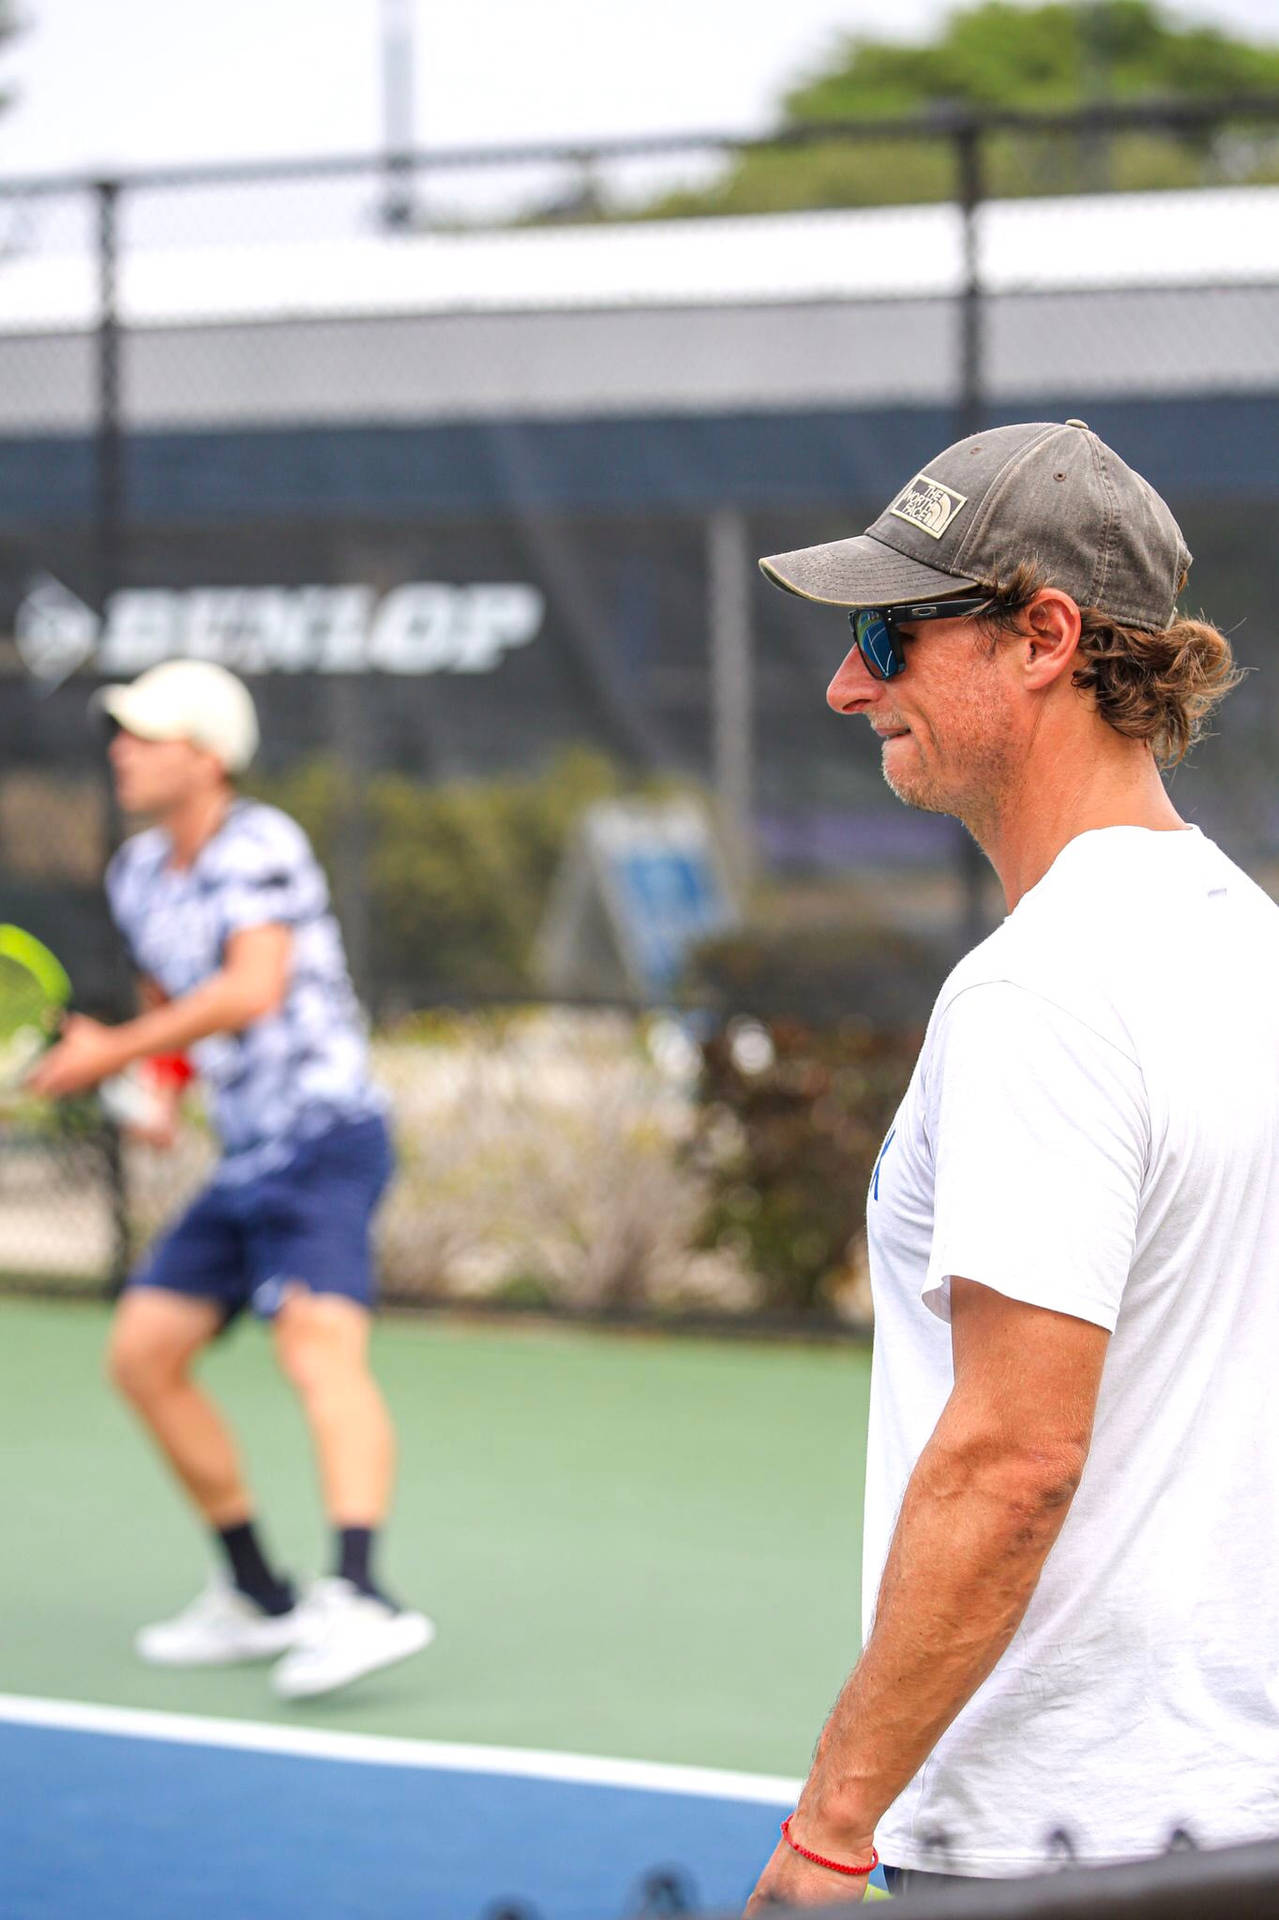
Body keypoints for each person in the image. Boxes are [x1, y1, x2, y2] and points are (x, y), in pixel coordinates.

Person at [743, 419, 1279, 1907]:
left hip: (1057, 1844)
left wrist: (827, 1831)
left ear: (1042, 636)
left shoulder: (1037, 989)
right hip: (1230, 1805)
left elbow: (1009, 1460)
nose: (848, 682)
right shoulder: (1245, 942)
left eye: (886, 634)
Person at [30, 658, 432, 1700]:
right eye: (119, 732)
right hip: (245, 1153)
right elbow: (181, 1002)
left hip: (325, 1138)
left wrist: (110, 1051)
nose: (121, 748)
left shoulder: (262, 843)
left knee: (317, 1348)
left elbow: (250, 990)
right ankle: (261, 1594)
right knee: (143, 1353)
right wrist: (157, 1091)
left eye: (146, 734)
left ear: (207, 756)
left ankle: (360, 1596)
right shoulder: (135, 873)